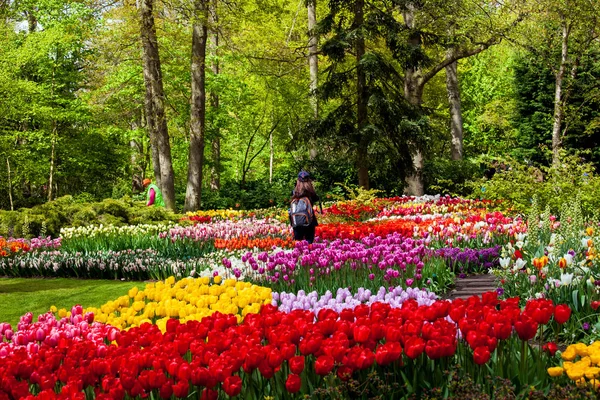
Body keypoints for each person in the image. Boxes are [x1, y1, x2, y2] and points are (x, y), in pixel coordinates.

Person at [289, 170, 321, 244]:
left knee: (298, 243)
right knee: (309, 242)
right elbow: (316, 199)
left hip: (296, 221)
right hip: (309, 221)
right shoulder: (311, 192)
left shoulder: (294, 192)